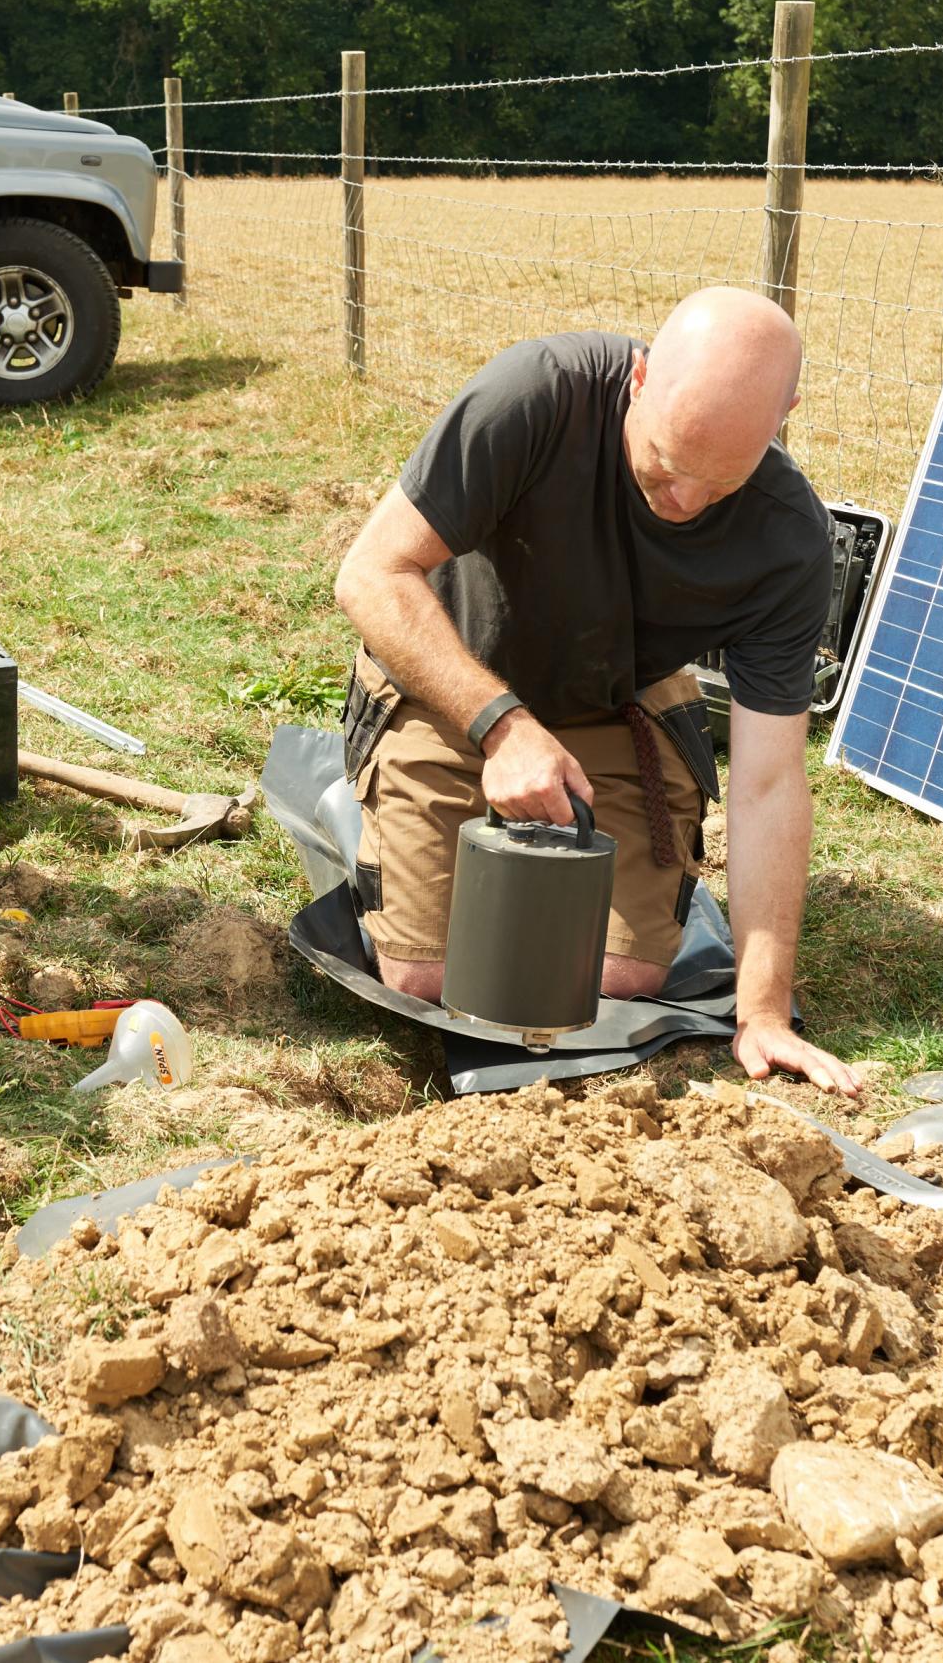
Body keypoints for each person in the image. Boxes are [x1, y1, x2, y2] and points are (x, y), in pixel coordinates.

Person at [333, 288, 861, 1094]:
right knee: (427, 980)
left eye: (719, 484)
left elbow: (768, 781)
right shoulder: (537, 396)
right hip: (451, 679)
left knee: (615, 976)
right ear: (640, 378)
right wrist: (501, 726)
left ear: (784, 417)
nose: (683, 500)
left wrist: (761, 1010)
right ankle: (384, 807)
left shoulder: (788, 543)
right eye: (669, 463)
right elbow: (371, 574)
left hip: (615, 703)